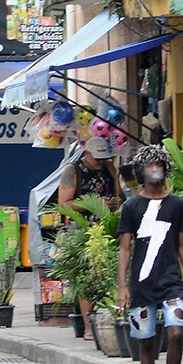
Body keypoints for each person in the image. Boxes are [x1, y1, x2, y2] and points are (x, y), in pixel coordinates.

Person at [116, 145, 183, 364]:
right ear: (141, 171)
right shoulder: (131, 207)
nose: (154, 169)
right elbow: (125, 249)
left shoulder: (177, 205)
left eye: (159, 164)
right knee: (146, 342)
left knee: (176, 333)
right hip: (141, 285)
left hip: (171, 282)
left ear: (165, 169)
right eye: (149, 165)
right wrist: (122, 286)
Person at [58, 137, 127, 340]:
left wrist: (115, 202)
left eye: (103, 158)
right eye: (96, 158)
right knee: (87, 277)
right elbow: (64, 204)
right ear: (86, 154)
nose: (100, 162)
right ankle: (88, 326)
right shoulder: (73, 170)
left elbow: (121, 194)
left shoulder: (109, 168)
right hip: (83, 230)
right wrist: (92, 203)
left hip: (107, 227)